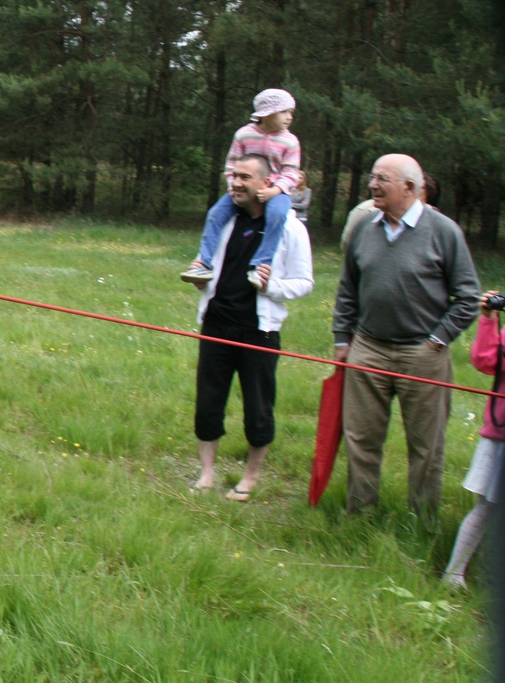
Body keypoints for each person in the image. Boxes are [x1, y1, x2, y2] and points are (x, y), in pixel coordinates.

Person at [333, 154, 480, 528]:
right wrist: (342, 338)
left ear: (410, 188)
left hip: (423, 353)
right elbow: (348, 288)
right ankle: (359, 516)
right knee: (361, 439)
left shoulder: (444, 231)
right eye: (372, 177)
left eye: (382, 179)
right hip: (368, 348)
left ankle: (423, 523)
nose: (372, 185)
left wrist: (437, 340)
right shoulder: (365, 227)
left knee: (426, 447)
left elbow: (467, 296)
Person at [189, 155, 314, 500]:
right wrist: (200, 278)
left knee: (259, 408)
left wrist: (271, 286)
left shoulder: (289, 227)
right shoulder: (225, 220)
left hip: (259, 332)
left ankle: (250, 477)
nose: (236, 182)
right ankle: (207, 474)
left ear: (265, 184)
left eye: (245, 177)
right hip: (216, 325)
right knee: (207, 403)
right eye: (233, 175)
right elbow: (209, 267)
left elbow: (304, 282)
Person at [182, 89, 301, 290]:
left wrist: (275, 191)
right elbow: (231, 164)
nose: (290, 117)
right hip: (242, 190)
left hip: (276, 191)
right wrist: (233, 186)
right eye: (285, 112)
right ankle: (203, 263)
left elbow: (291, 173)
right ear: (268, 112)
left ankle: (260, 264)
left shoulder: (290, 141)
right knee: (215, 214)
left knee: (277, 214)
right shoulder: (244, 134)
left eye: (291, 113)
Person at [443, 291, 505, 588]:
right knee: (486, 507)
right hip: (500, 436)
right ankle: (453, 575)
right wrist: (489, 319)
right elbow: (484, 360)